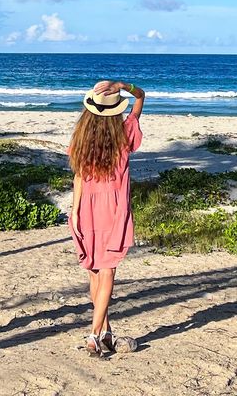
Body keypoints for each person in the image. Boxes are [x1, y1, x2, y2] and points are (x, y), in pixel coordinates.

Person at [68, 79, 145, 357]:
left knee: (96, 272)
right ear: (115, 111)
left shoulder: (81, 138)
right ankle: (93, 335)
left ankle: (106, 332)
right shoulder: (124, 135)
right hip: (113, 209)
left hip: (86, 207)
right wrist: (123, 85)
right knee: (107, 270)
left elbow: (78, 175)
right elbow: (141, 97)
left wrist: (75, 211)